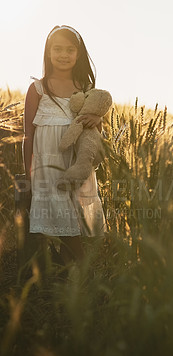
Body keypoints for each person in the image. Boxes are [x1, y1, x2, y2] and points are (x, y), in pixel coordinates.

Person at [23, 25, 107, 264]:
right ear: (48, 52)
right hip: (47, 166)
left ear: (78, 54)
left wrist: (97, 119)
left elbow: (95, 133)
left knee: (73, 217)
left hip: (75, 164)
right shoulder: (38, 88)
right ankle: (63, 274)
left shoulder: (86, 89)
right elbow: (28, 133)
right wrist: (27, 173)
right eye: (57, 49)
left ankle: (72, 274)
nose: (63, 54)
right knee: (58, 215)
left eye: (70, 49)